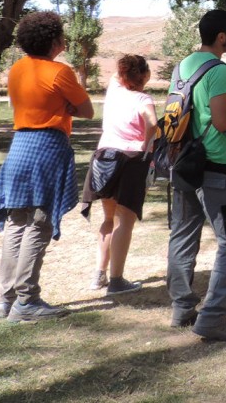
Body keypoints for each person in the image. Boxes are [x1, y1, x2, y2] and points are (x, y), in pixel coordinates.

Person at [0, 11, 94, 322]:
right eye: (61, 35)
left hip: (20, 146)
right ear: (53, 40)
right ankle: (27, 300)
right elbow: (87, 110)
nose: (64, 41)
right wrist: (65, 105)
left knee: (16, 223)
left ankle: (5, 300)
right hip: (47, 146)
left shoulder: (17, 69)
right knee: (39, 222)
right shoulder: (60, 73)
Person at [165, 9, 226, 342]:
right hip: (215, 168)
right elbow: (223, 121)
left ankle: (182, 308)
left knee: (182, 237)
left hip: (184, 164)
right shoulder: (219, 71)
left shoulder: (182, 66)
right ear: (221, 36)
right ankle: (212, 318)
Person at [81, 54, 158, 296]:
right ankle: (116, 280)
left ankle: (99, 275)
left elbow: (117, 74)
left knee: (108, 218)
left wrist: (128, 71)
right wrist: (146, 144)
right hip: (132, 160)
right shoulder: (144, 98)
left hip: (105, 157)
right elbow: (153, 122)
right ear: (145, 75)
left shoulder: (114, 91)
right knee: (125, 220)